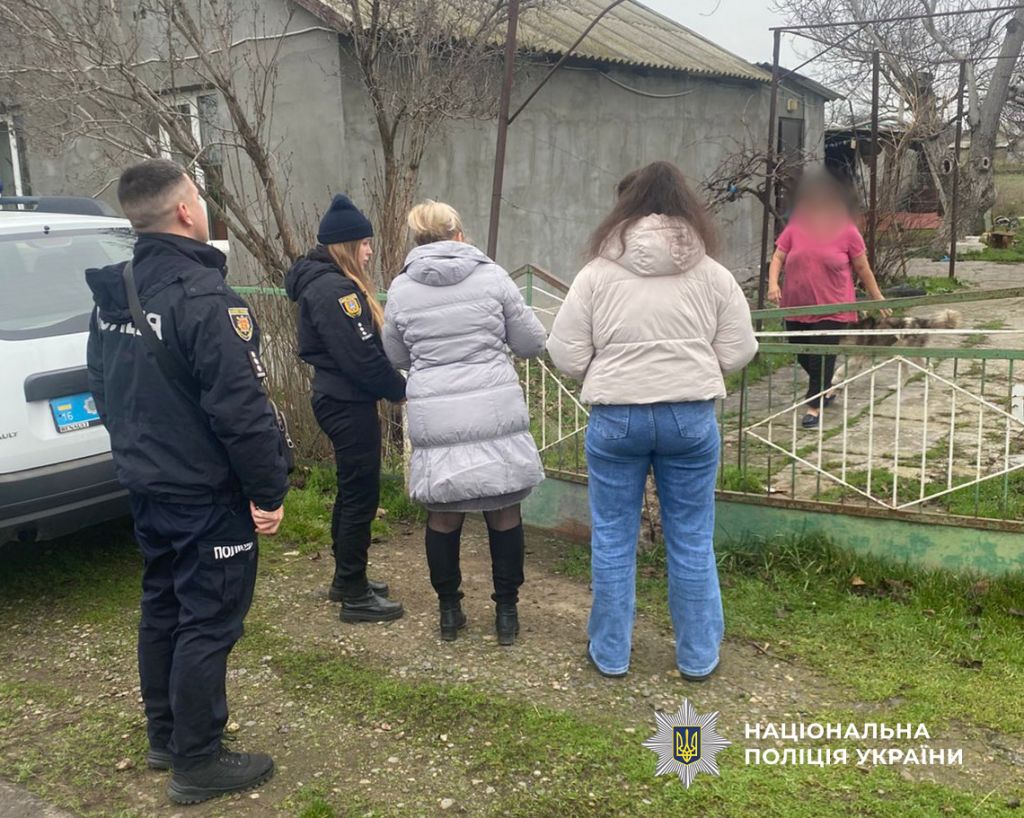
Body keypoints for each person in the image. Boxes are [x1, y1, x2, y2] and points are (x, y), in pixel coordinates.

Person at [85, 159, 289, 804]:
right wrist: (268, 490)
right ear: (184, 210)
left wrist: (140, 453)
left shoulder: (117, 289)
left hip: (148, 482)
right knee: (208, 619)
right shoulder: (203, 298)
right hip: (204, 494)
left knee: (164, 605)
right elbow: (242, 410)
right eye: (198, 197)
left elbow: (102, 386)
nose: (201, 206)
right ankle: (196, 761)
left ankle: (166, 733)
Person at [547, 160, 757, 681]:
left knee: (614, 537)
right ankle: (698, 656)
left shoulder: (596, 274)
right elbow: (740, 350)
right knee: (690, 538)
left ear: (626, 208)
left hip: (616, 418)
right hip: (690, 419)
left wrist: (611, 370)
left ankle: (611, 653)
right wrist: (694, 366)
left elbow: (567, 356)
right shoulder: (712, 274)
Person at [382, 201, 546, 645]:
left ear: (418, 241)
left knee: (443, 514)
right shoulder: (492, 276)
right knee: (503, 510)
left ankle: (449, 611)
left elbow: (395, 355)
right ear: (458, 235)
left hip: (438, 416)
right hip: (494, 412)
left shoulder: (400, 289)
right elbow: (531, 342)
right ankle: (507, 613)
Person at [285, 194, 407, 623]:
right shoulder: (335, 290)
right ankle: (355, 594)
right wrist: (399, 389)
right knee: (361, 496)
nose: (370, 250)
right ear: (346, 245)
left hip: (338, 399)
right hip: (345, 402)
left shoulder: (327, 282)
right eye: (365, 243)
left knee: (352, 490)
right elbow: (360, 357)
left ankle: (345, 579)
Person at [766, 169, 889, 429]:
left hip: (833, 307)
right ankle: (828, 387)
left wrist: (876, 297)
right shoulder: (795, 227)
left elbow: (863, 268)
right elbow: (778, 257)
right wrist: (773, 284)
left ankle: (813, 407)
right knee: (803, 354)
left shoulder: (848, 232)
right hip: (796, 305)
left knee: (821, 355)